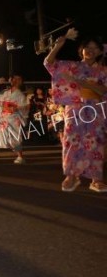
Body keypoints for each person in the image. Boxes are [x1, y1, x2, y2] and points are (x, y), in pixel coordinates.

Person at [44, 33, 107, 193]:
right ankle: (72, 176)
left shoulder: (103, 71)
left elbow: (104, 89)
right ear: (82, 50)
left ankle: (96, 179)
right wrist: (58, 46)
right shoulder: (72, 66)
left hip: (96, 108)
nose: (90, 50)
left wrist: (82, 82)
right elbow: (50, 64)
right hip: (75, 107)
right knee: (71, 139)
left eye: (95, 48)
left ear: (100, 52)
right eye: (87, 47)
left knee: (96, 141)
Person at [0, 75, 29, 164]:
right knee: (4, 136)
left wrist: (16, 108)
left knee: (15, 137)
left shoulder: (20, 94)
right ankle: (17, 153)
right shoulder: (6, 92)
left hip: (14, 118)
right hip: (4, 117)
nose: (13, 80)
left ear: (19, 82)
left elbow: (25, 106)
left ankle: (20, 156)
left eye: (16, 79)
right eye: (13, 78)